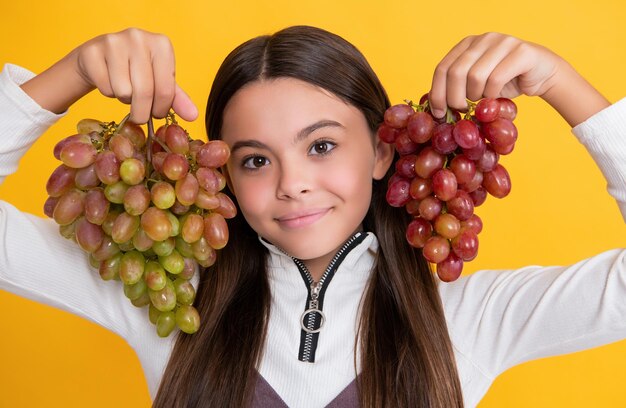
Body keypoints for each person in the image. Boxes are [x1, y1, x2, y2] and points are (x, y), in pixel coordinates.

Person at [1, 26, 625, 408]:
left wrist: (562, 84)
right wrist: (70, 75)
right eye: (254, 160)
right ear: (220, 176)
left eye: (321, 146)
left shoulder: (471, 317)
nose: (292, 185)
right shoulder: (166, 300)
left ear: (383, 150)